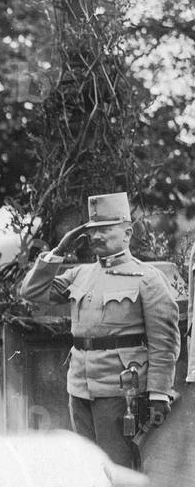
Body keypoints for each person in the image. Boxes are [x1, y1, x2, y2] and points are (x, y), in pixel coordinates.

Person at [20, 191, 180, 468]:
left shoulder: (147, 278)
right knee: (88, 468)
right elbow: (32, 291)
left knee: (118, 469)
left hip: (122, 392)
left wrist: (158, 394)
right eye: (92, 231)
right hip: (79, 386)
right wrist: (58, 252)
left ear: (127, 232)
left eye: (105, 229)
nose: (96, 236)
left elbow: (164, 342)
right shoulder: (80, 274)